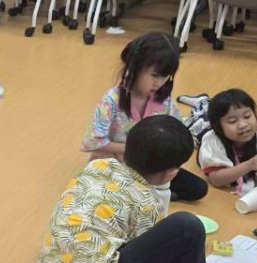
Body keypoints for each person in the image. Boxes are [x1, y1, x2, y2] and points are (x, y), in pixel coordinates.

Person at [36, 115, 226, 263]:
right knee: (187, 226)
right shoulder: (147, 201)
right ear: (171, 172)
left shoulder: (98, 165)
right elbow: (149, 258)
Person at [82, 32, 207, 202]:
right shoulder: (111, 100)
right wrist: (133, 149)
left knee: (198, 188)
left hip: (149, 168)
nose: (159, 83)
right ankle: (147, 194)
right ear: (135, 67)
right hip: (115, 166)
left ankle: (147, 193)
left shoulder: (164, 101)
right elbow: (93, 142)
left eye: (165, 76)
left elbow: (178, 130)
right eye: (154, 75)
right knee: (107, 192)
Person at [198, 88, 257, 195]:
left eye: (247, 116)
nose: (243, 125)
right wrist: (249, 165)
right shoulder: (212, 142)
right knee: (198, 121)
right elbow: (216, 180)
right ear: (218, 127)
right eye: (232, 121)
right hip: (202, 131)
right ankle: (202, 101)